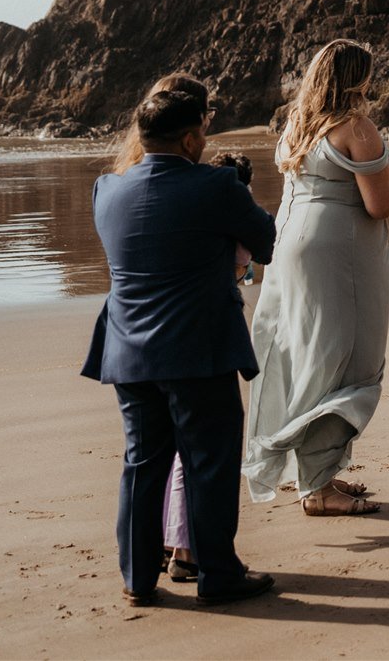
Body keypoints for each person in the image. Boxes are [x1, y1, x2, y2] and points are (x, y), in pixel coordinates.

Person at [81, 83, 278, 607]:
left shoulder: (107, 189)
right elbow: (265, 243)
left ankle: (137, 577)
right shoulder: (216, 188)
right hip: (198, 347)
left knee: (142, 464)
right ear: (193, 139)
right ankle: (219, 575)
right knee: (208, 464)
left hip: (128, 350)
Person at [242, 40, 389, 515]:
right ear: (358, 79)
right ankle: (317, 487)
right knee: (351, 364)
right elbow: (378, 205)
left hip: (289, 246)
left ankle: (319, 474)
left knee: (307, 357)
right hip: (339, 254)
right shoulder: (356, 127)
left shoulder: (296, 127)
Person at [161, 150, 259, 584]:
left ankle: (172, 540)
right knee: (200, 449)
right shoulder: (229, 212)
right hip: (206, 337)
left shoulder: (185, 211)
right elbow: (248, 256)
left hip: (164, 336)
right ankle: (188, 550)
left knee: (174, 448)